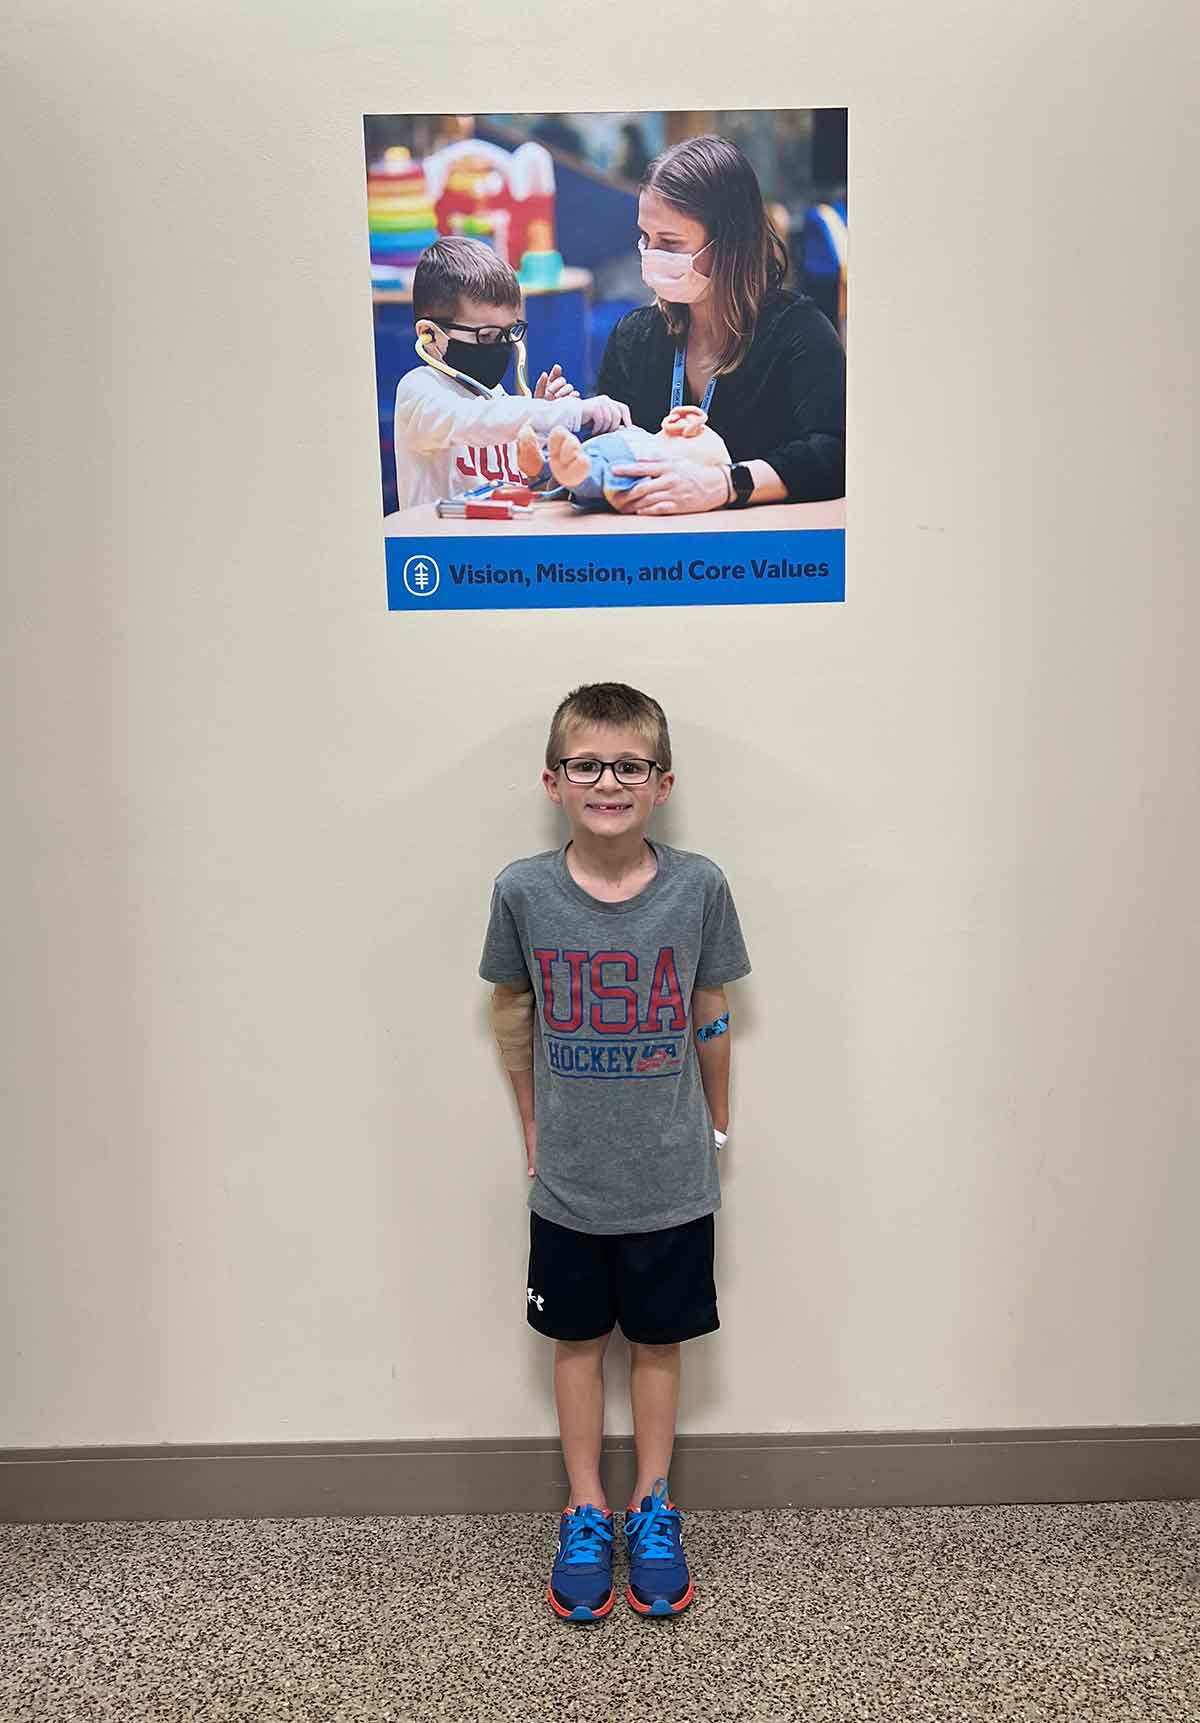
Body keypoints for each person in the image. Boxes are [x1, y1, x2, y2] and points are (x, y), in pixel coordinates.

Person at [479, 682, 751, 1623]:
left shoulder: (699, 884)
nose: (607, 780)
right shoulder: (521, 889)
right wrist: (530, 1124)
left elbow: (711, 1009)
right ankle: (586, 1505)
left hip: (672, 1178)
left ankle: (654, 1504)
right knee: (577, 1344)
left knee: (659, 1343)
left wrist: (716, 1125)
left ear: (662, 781)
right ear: (553, 781)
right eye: (586, 764)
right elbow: (513, 1011)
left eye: (628, 765)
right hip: (570, 1185)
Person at [595, 133, 846, 514]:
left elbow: (837, 453)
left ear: (729, 244)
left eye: (671, 241)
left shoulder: (799, 332)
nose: (652, 254)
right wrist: (576, 429)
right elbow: (612, 454)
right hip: (646, 557)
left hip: (761, 560)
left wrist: (728, 484)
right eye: (646, 237)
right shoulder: (632, 338)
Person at [393, 237, 630, 510]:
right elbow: (472, 421)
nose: (502, 346)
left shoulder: (499, 399)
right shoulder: (419, 392)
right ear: (430, 335)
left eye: (509, 333)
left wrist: (543, 435)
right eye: (488, 335)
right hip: (442, 549)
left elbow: (527, 488)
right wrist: (568, 412)